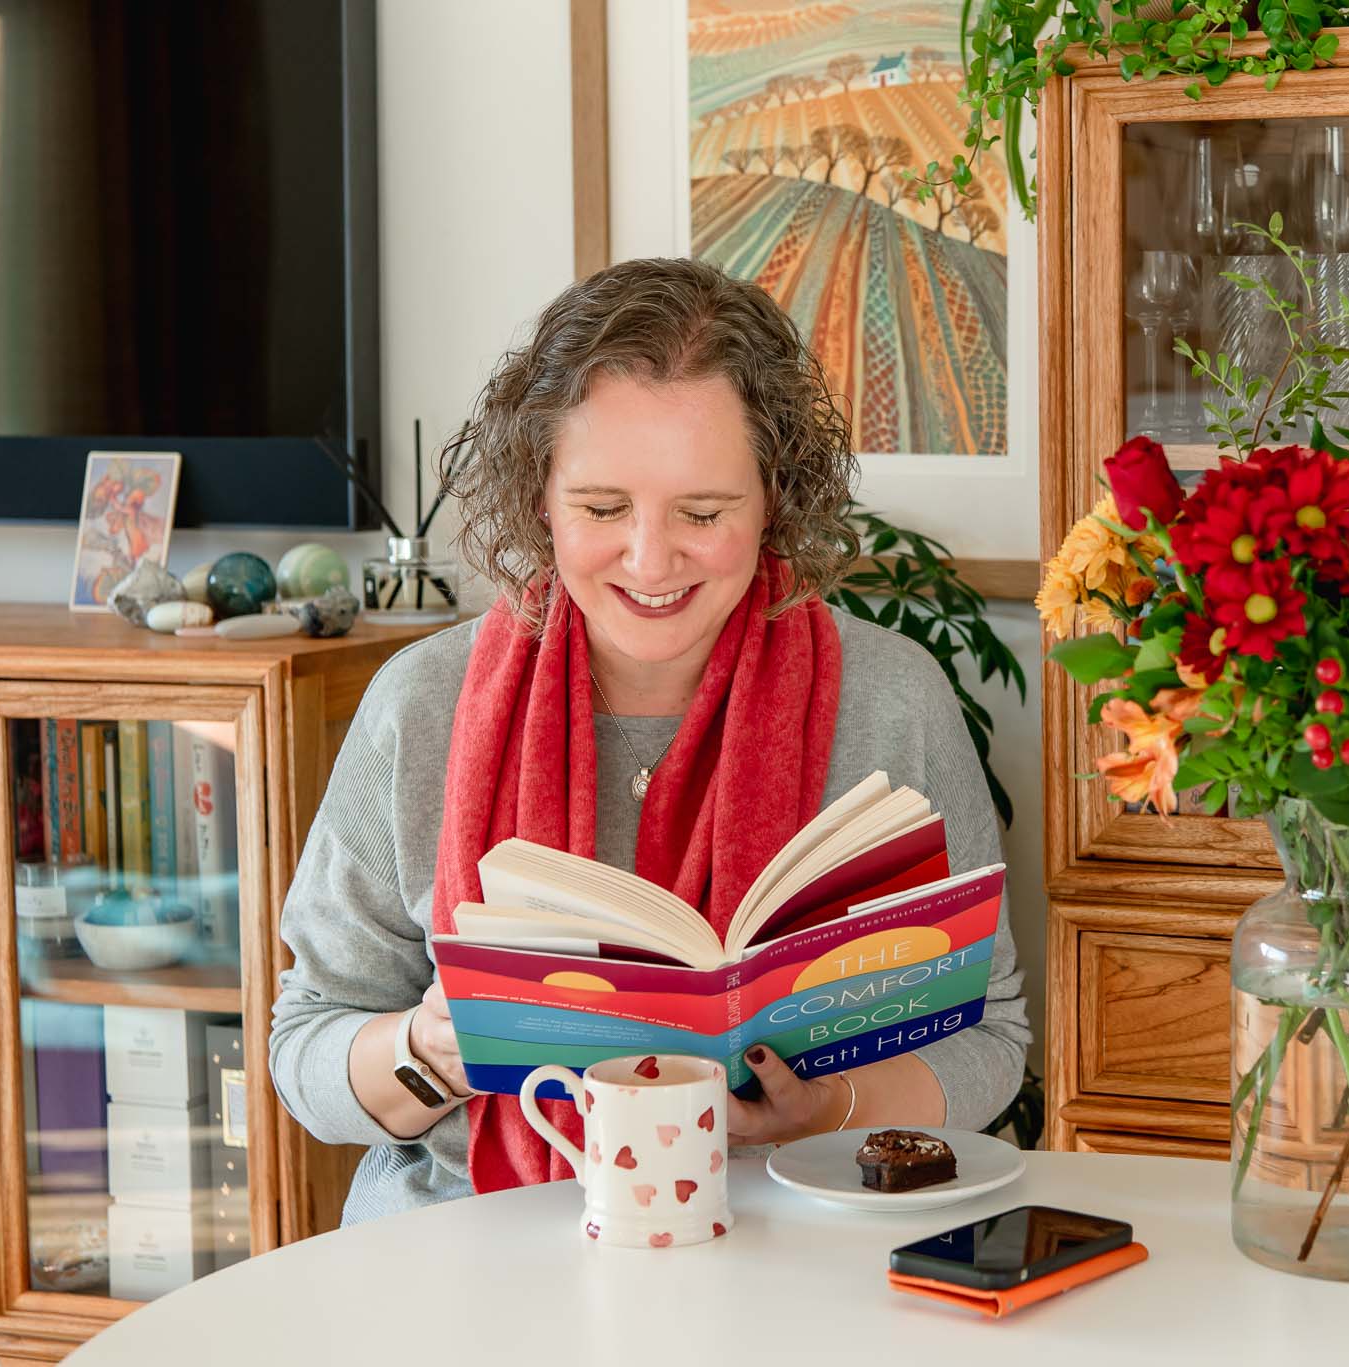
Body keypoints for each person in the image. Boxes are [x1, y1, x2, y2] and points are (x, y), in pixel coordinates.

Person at [269, 258, 1030, 1223]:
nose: (649, 557)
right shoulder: (419, 703)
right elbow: (305, 1054)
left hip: (788, 1240)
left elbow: (993, 1039)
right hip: (469, 1246)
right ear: (539, 498)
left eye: (703, 514)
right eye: (601, 508)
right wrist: (424, 1050)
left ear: (774, 501)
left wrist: (827, 1109)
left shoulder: (892, 702)